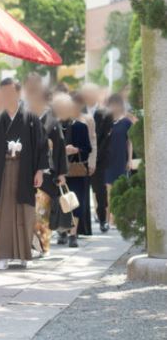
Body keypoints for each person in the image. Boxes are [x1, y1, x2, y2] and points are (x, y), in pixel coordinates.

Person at [0, 78, 47, 270]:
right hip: (2, 172)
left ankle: (24, 254)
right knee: (3, 213)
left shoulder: (31, 119)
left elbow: (41, 146)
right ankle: (2, 255)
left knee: (25, 212)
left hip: (25, 170)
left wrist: (40, 171)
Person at [28, 89, 67, 256]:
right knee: (32, 211)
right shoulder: (29, 117)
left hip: (47, 172)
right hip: (29, 171)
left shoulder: (52, 120)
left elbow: (60, 147)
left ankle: (42, 246)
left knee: (42, 211)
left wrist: (61, 173)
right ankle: (33, 244)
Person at [57, 93, 92, 247]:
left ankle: (73, 234)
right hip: (58, 170)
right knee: (60, 202)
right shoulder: (53, 127)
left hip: (76, 171)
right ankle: (62, 231)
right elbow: (45, 148)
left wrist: (76, 149)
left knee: (75, 202)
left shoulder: (81, 126)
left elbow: (88, 148)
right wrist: (62, 150)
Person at [82, 83, 114, 233]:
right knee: (79, 192)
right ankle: (78, 226)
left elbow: (105, 140)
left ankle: (103, 220)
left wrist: (94, 159)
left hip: (100, 161)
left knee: (100, 192)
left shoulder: (105, 114)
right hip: (80, 160)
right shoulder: (78, 112)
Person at [105, 93, 133, 226]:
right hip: (108, 160)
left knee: (118, 190)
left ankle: (117, 219)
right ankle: (108, 219)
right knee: (109, 191)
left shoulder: (127, 122)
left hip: (121, 159)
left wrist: (130, 160)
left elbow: (130, 142)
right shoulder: (107, 121)